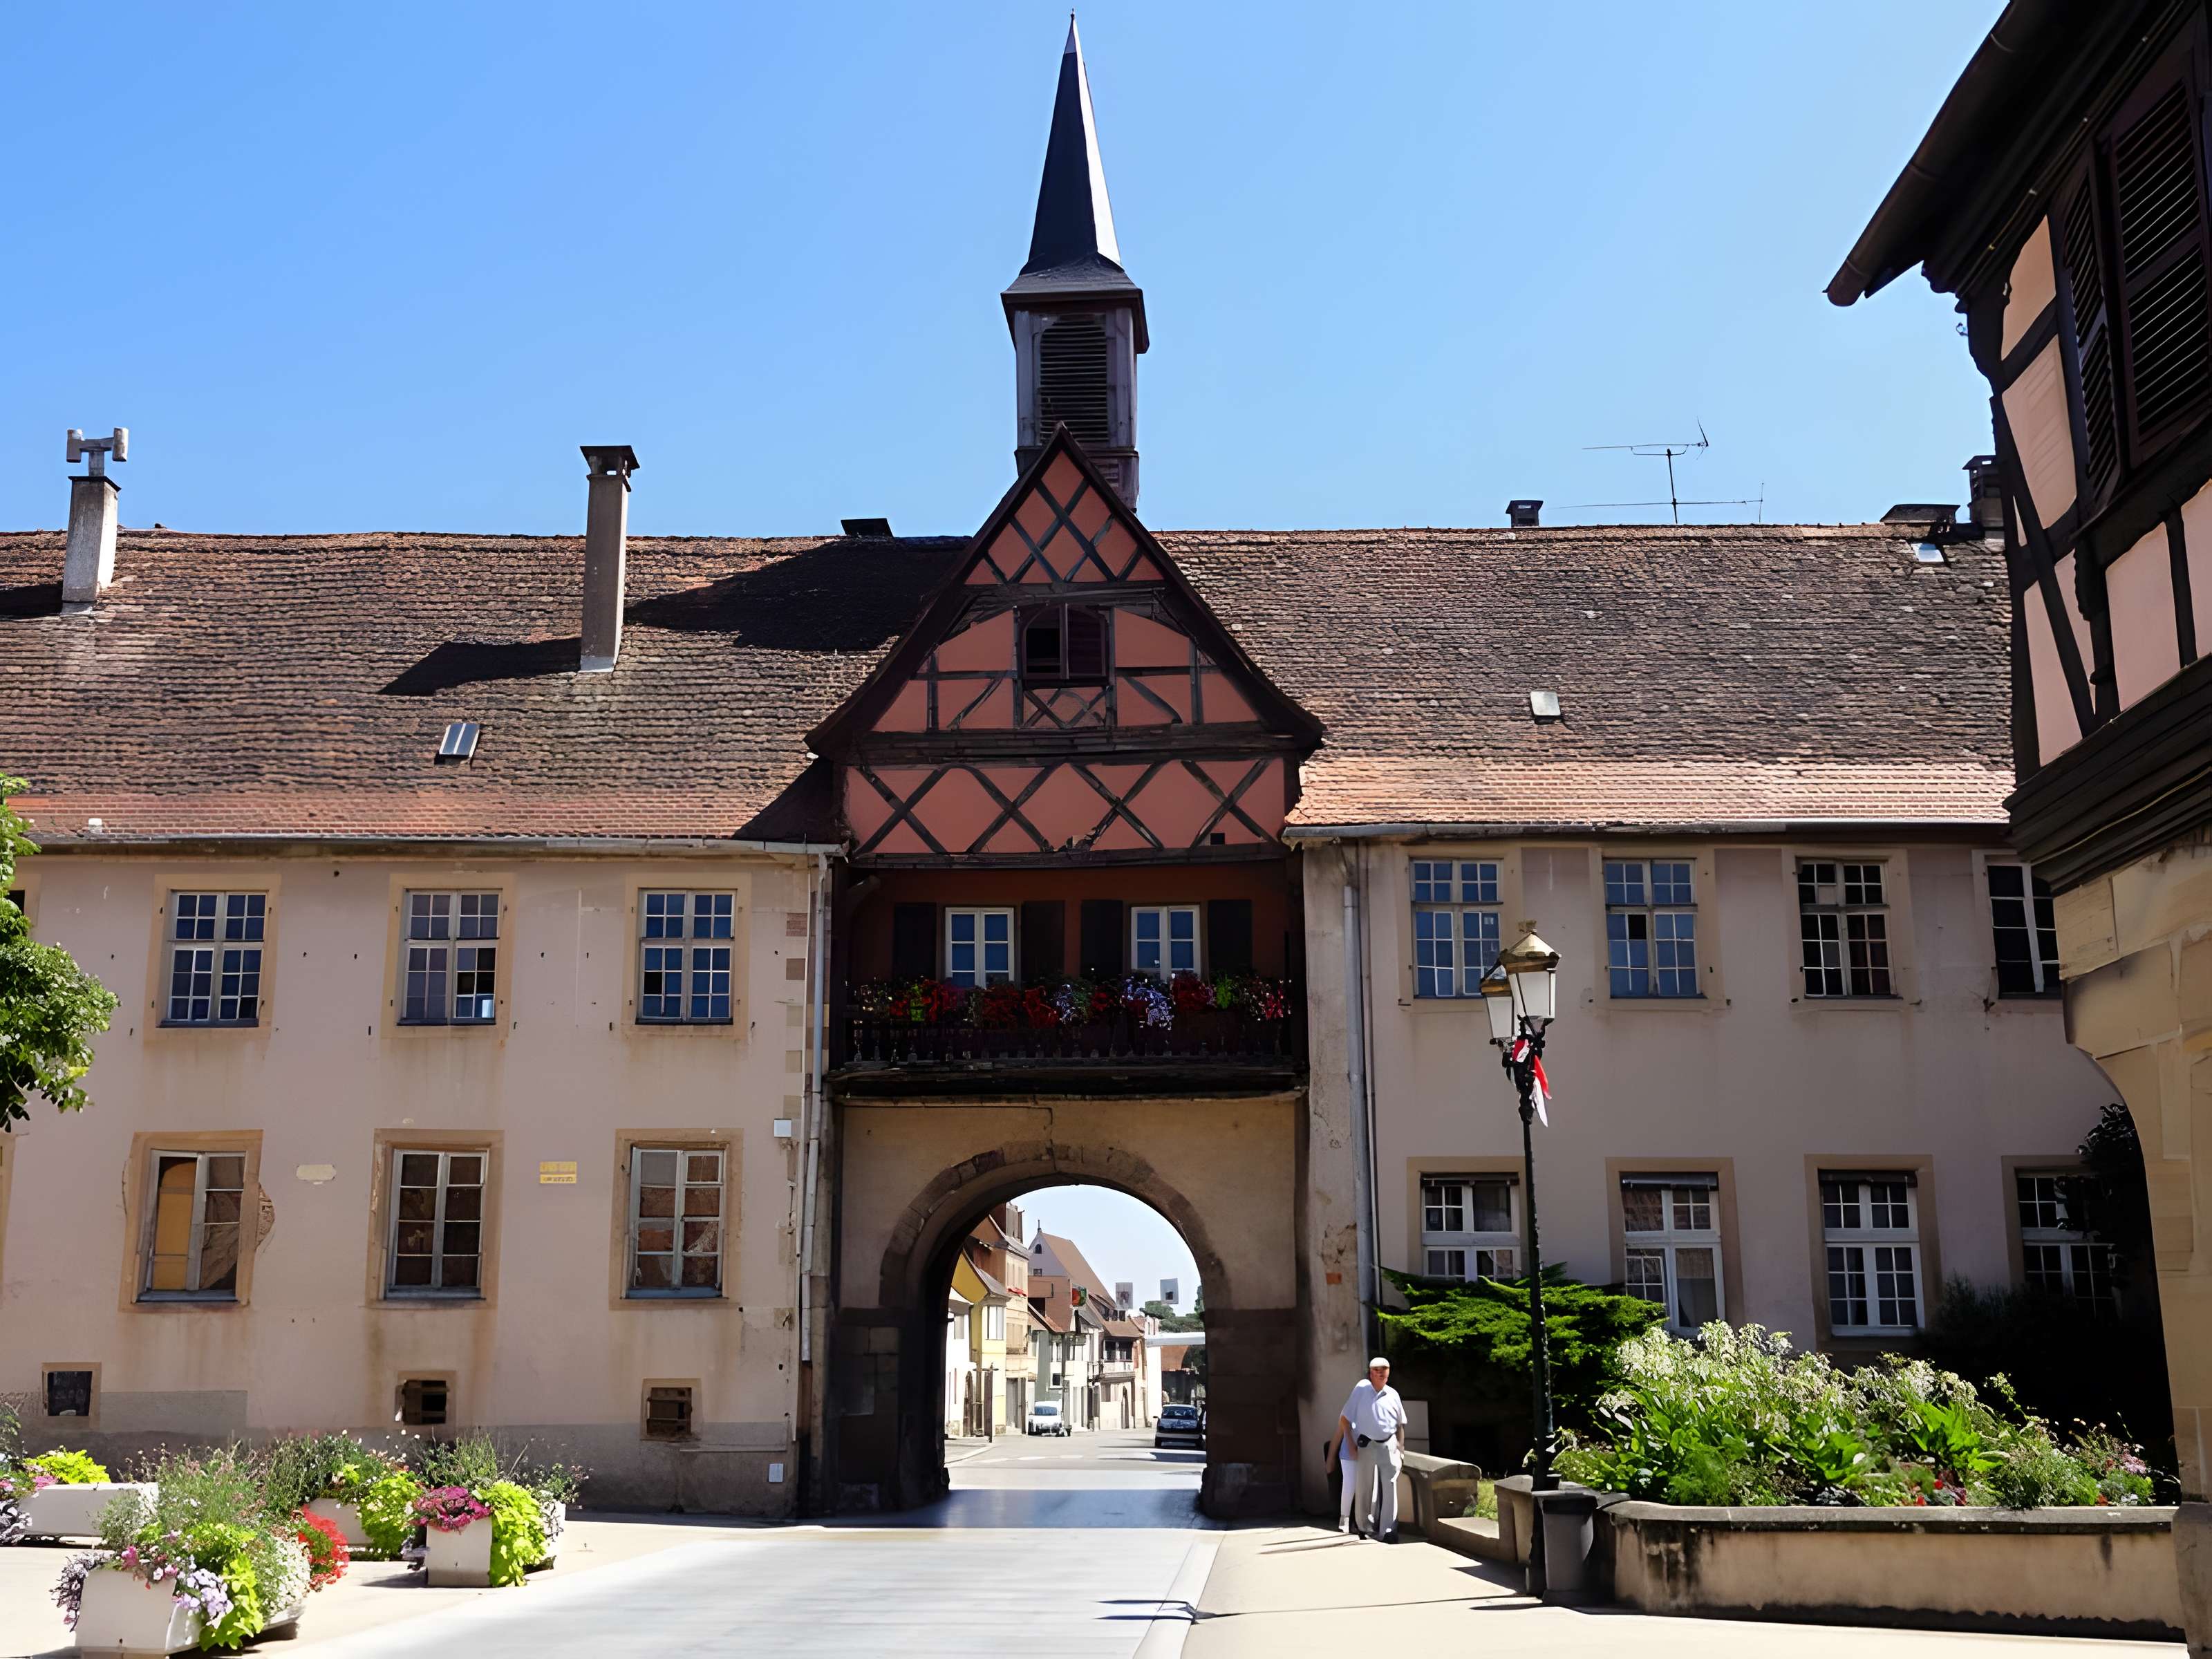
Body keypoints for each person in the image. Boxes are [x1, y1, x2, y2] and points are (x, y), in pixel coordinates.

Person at [1336, 1356, 1407, 1542]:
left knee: (1390, 1486)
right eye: (1376, 1370)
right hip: (1367, 1444)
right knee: (1365, 1486)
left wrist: (1401, 1448)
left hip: (1388, 1444)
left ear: (1389, 1372)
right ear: (1370, 1373)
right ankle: (1363, 1526)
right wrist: (1350, 1443)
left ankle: (1388, 1530)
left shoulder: (1393, 1394)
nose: (1380, 1373)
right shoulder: (1361, 1390)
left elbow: (1400, 1424)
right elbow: (1345, 1418)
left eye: (1384, 1369)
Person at [1324, 1420, 1359, 1534]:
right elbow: (1339, 1433)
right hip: (1349, 1454)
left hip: (1365, 1454)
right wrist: (1330, 1460)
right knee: (1348, 1487)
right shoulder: (1351, 1407)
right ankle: (1347, 1521)